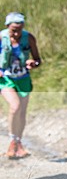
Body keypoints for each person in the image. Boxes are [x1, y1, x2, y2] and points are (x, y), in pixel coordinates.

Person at [0, 12, 42, 159]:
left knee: (22, 112)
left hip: (23, 78)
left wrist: (34, 63)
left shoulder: (28, 38)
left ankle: (18, 143)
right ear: (7, 27)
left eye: (20, 29)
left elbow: (37, 60)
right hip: (5, 79)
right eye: (13, 30)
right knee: (15, 106)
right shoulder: (1, 38)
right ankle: (12, 140)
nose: (17, 33)